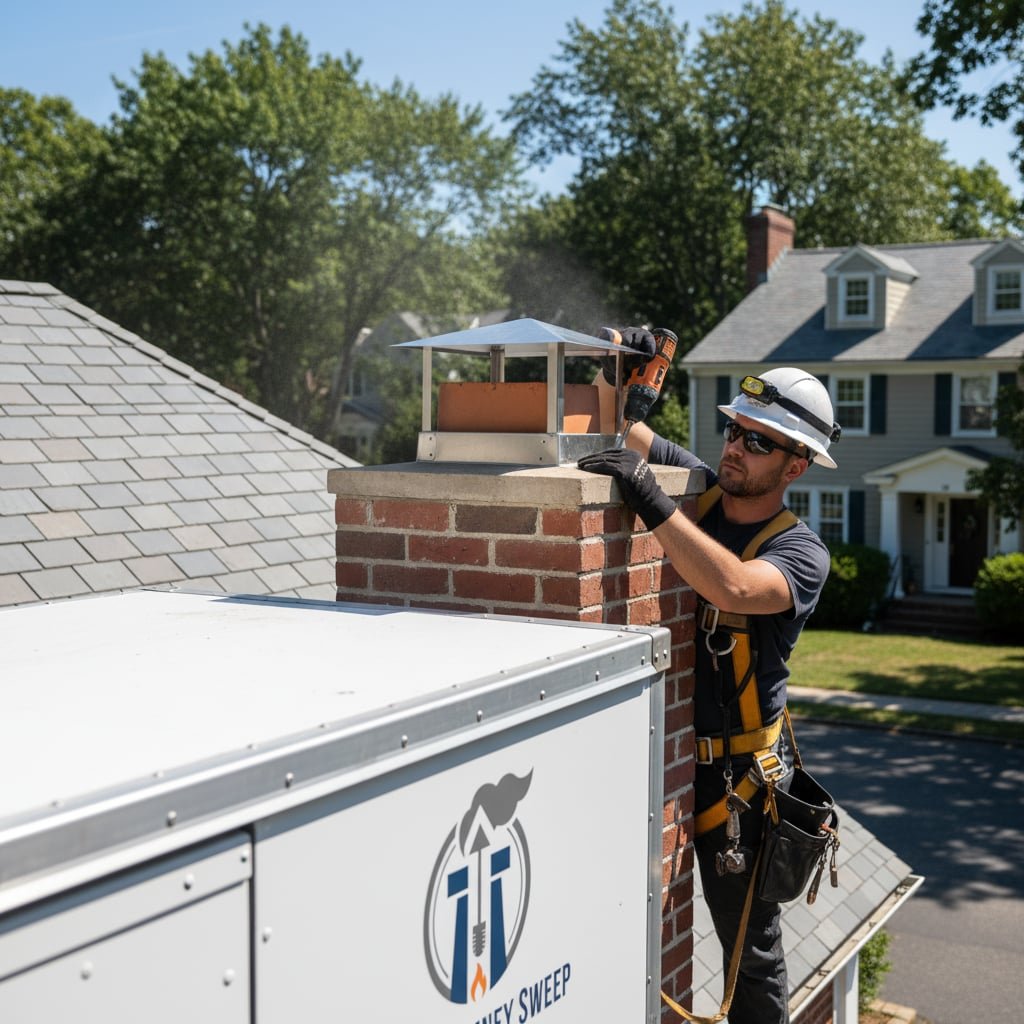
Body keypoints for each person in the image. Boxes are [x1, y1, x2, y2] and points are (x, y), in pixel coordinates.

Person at [578, 328, 841, 1024]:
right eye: (735, 431)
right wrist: (620, 367)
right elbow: (623, 430)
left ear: (797, 466)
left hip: (742, 792)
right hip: (675, 766)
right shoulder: (699, 494)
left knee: (750, 959)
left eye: (758, 443)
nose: (735, 449)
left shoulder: (800, 553)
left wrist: (651, 500)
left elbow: (731, 586)